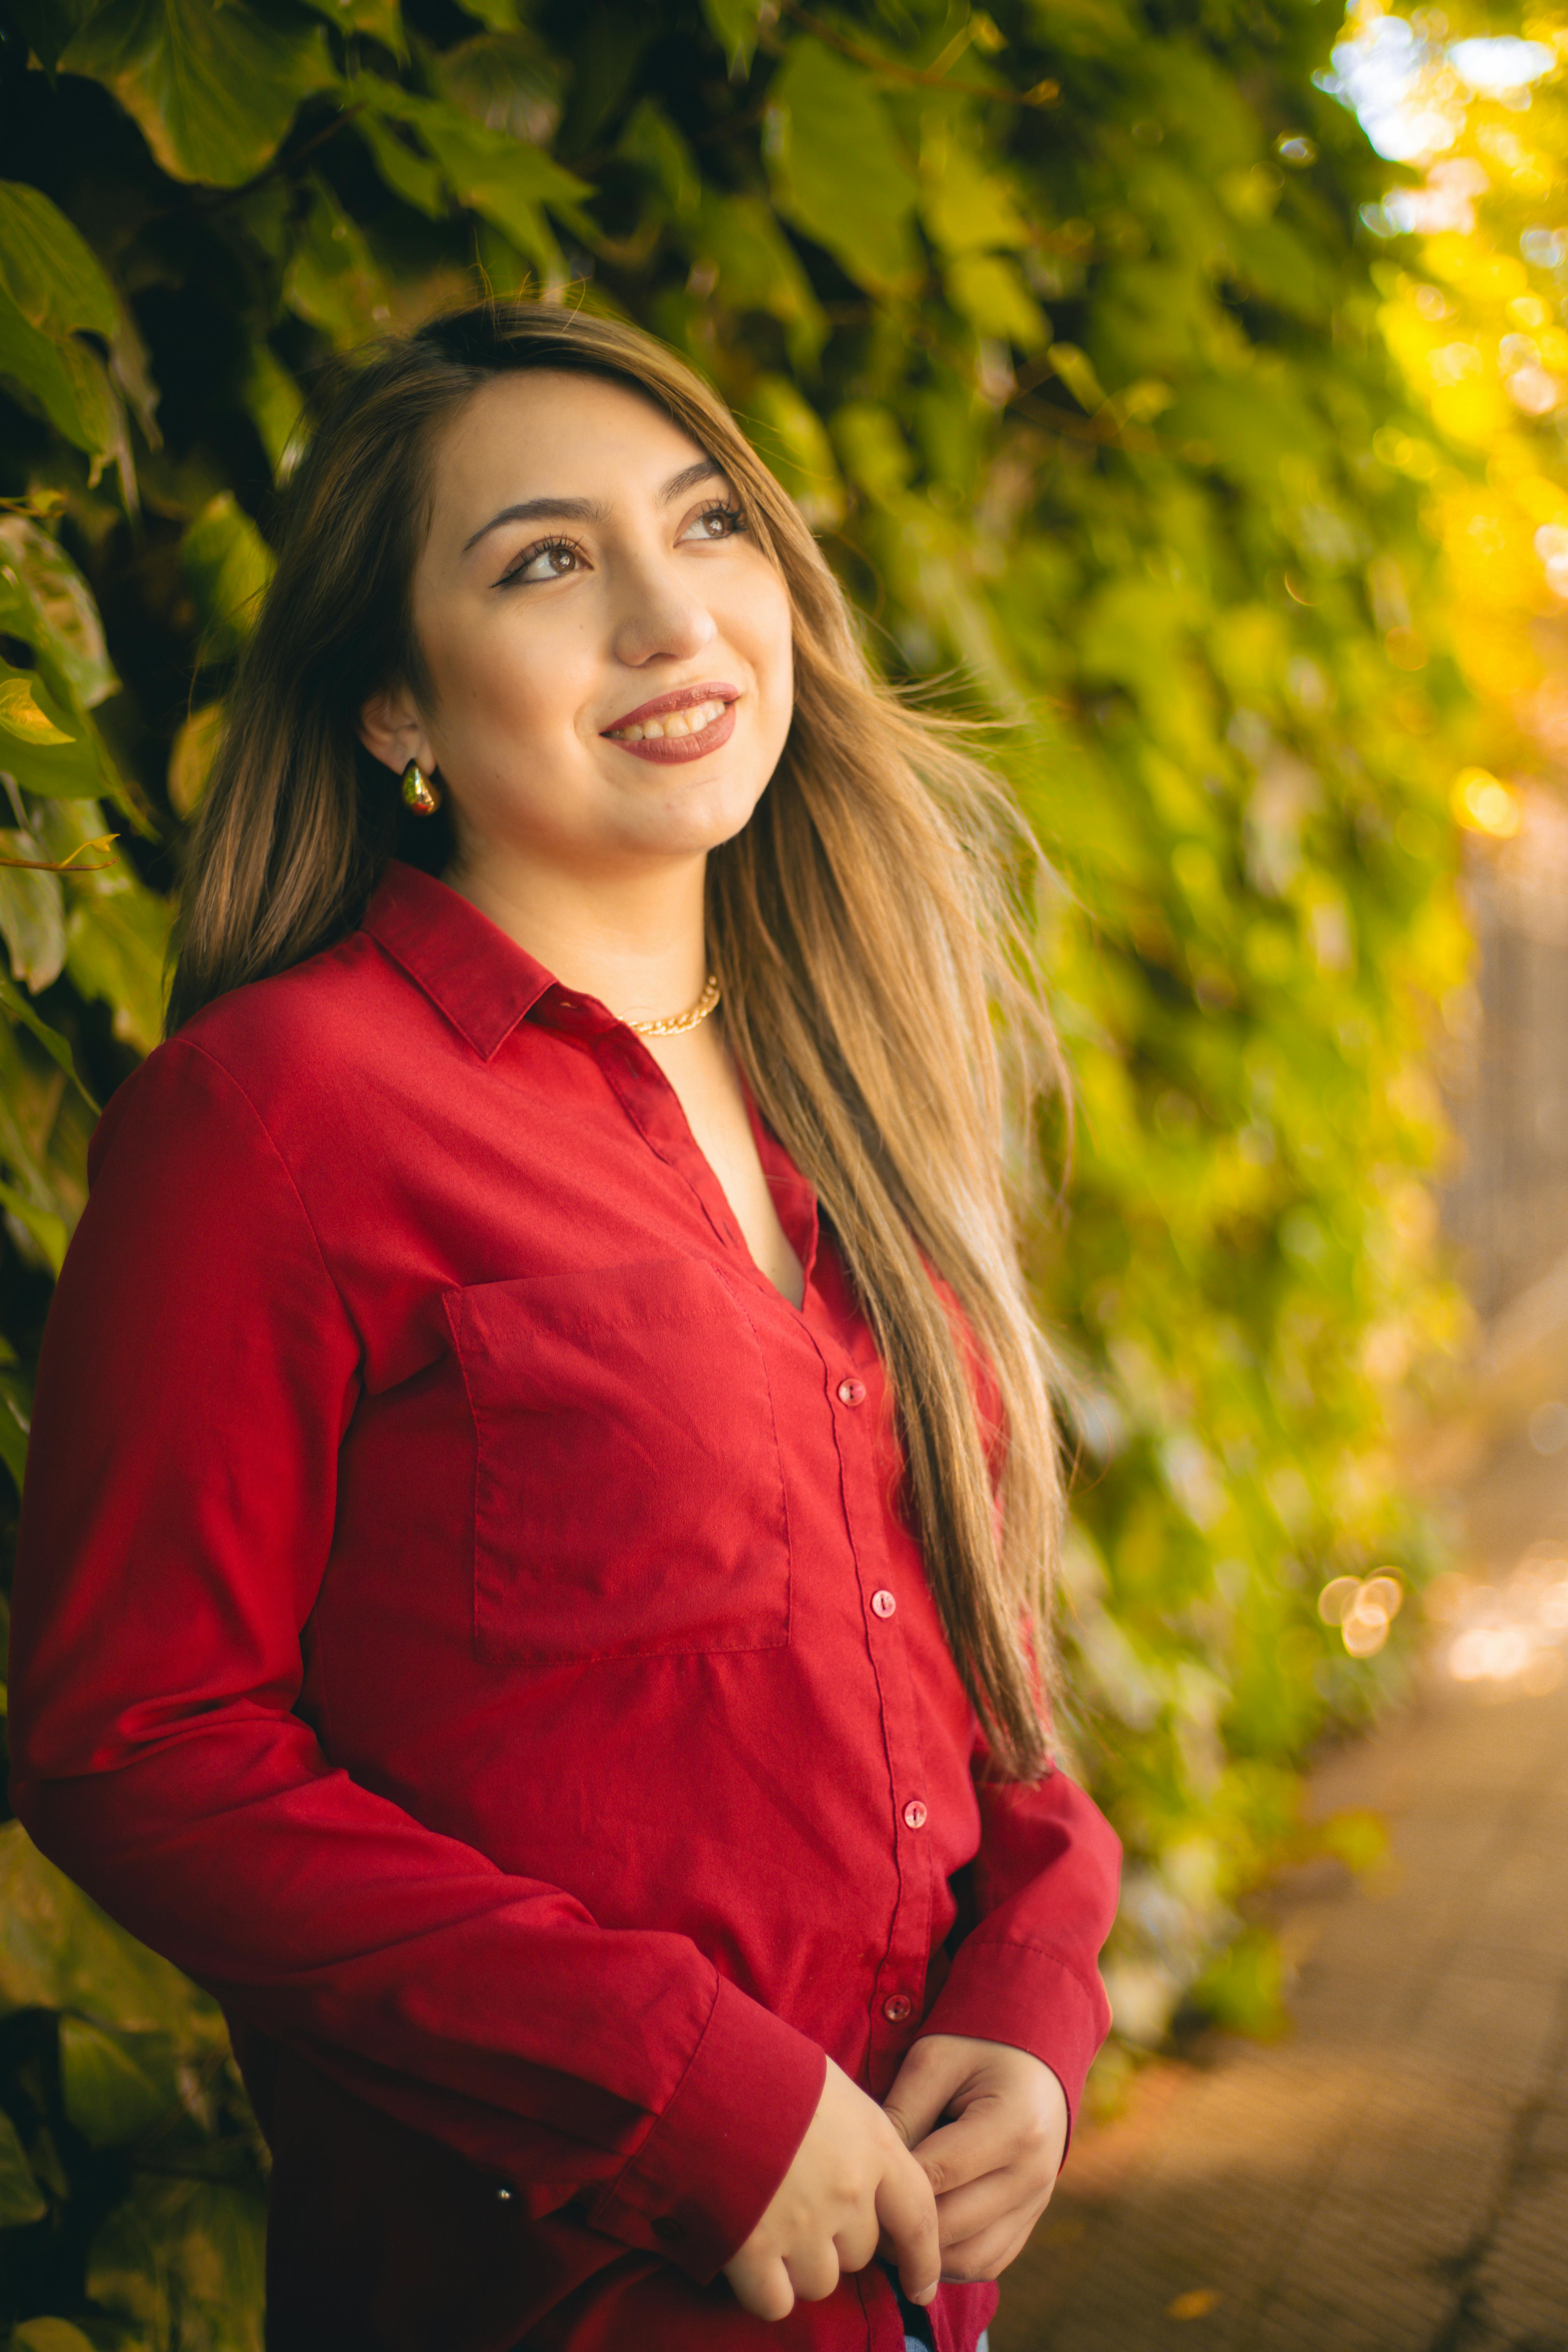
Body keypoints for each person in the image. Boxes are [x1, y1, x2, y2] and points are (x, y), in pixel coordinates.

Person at [7, 301, 1120, 2352]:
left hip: (916, 2304)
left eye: (706, 527)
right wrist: (674, 2086)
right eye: (543, 561)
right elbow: (134, 1742)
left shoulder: (857, 1095)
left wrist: (1036, 2000)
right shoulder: (275, 1120)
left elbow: (978, 1687)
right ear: (394, 712)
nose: (667, 612)